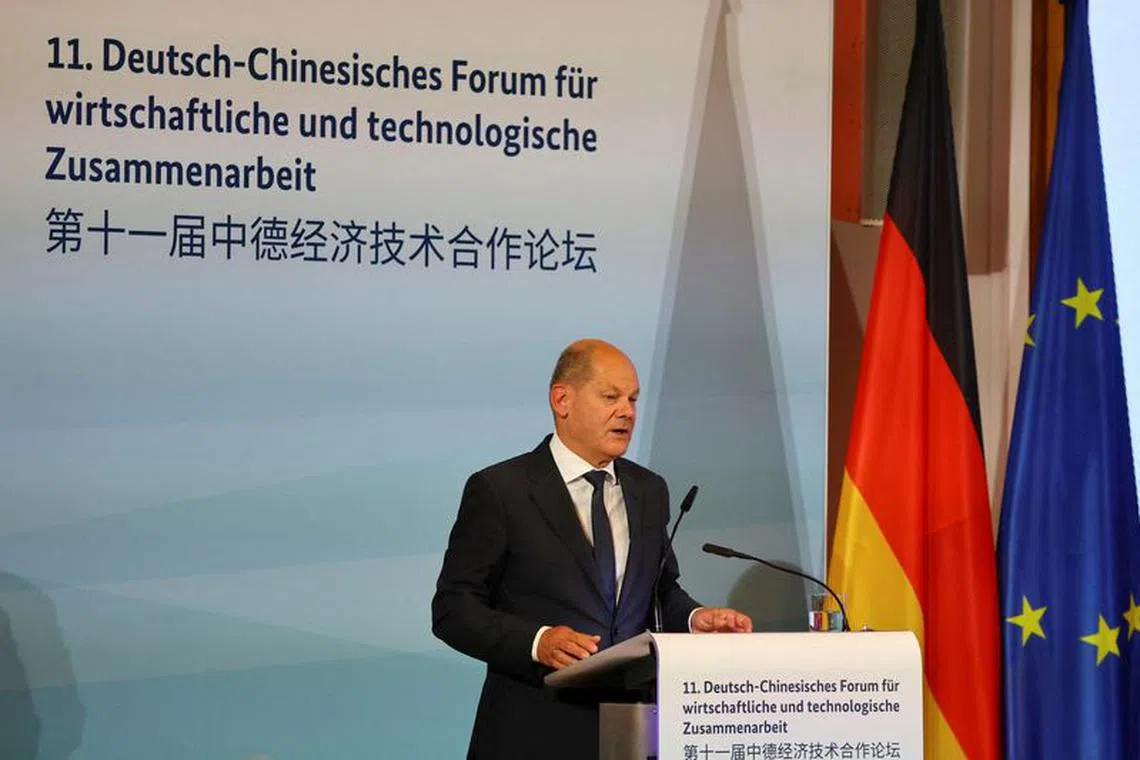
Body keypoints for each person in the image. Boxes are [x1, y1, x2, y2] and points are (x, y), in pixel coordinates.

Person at [432, 338, 752, 760]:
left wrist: (695, 618)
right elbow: (454, 609)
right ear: (562, 400)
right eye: (611, 397)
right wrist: (536, 641)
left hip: (633, 732)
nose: (628, 411)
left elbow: (659, 592)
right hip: (533, 731)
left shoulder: (647, 489)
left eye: (634, 398)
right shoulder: (501, 490)